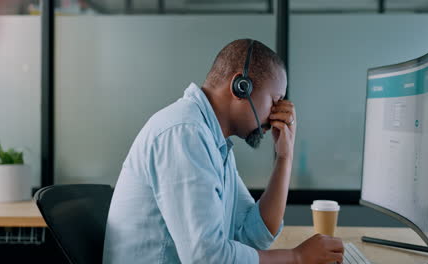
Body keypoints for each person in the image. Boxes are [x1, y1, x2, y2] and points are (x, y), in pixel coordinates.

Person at [103, 39, 344, 264]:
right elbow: (206, 258)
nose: (274, 115)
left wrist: (284, 158)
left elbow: (253, 233)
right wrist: (296, 257)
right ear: (241, 87)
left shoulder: (213, 143)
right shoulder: (185, 134)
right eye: (274, 100)